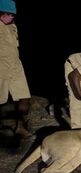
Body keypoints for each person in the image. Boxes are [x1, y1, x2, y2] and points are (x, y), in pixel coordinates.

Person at [0, 0, 31, 137]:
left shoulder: (13, 26)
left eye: (13, 15)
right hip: (1, 67)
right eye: (9, 14)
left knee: (24, 97)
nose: (12, 17)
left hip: (16, 66)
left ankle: (20, 127)